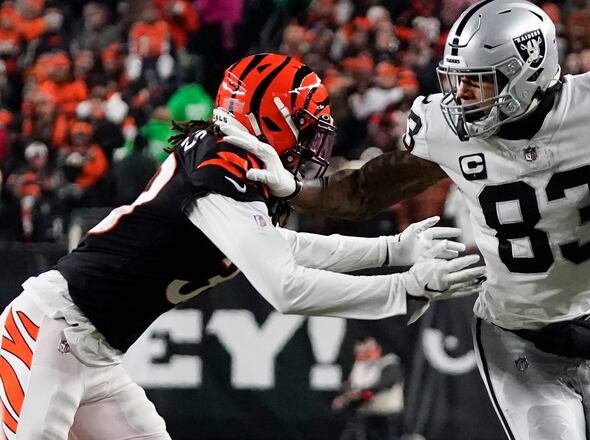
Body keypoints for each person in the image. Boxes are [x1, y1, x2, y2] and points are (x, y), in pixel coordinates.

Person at [228, 2, 590, 439]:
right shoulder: (446, 130)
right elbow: (361, 191)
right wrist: (295, 191)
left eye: (479, 81)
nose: (461, 96)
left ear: (528, 72)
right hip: (516, 332)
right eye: (457, 79)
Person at [0, 53, 486, 439]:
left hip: (96, 353)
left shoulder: (234, 168)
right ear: (271, 118)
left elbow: (283, 247)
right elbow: (285, 288)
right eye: (304, 124)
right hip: (50, 328)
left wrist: (389, 251)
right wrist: (403, 288)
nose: (310, 143)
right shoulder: (221, 164)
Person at [332, 337, 404, 440]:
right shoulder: (360, 365)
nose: (362, 354)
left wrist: (361, 395)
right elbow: (352, 385)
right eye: (359, 352)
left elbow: (383, 385)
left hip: (387, 414)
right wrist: (344, 397)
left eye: (366, 350)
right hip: (366, 414)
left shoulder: (390, 362)